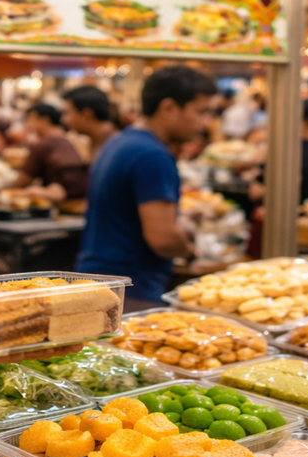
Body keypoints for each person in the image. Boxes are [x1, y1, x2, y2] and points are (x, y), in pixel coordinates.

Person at [75, 65, 216, 302]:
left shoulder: (120, 140)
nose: (206, 122)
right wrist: (189, 249)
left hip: (99, 281)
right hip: (130, 288)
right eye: (201, 112)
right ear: (168, 108)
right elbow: (163, 239)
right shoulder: (152, 155)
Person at [13, 103, 89, 201]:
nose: (28, 124)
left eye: (31, 119)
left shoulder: (45, 143)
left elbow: (22, 181)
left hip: (64, 202)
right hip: (84, 198)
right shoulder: (73, 138)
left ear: (44, 120)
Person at [62, 86, 119, 161]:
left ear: (86, 115)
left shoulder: (115, 146)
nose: (64, 120)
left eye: (67, 113)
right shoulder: (91, 140)